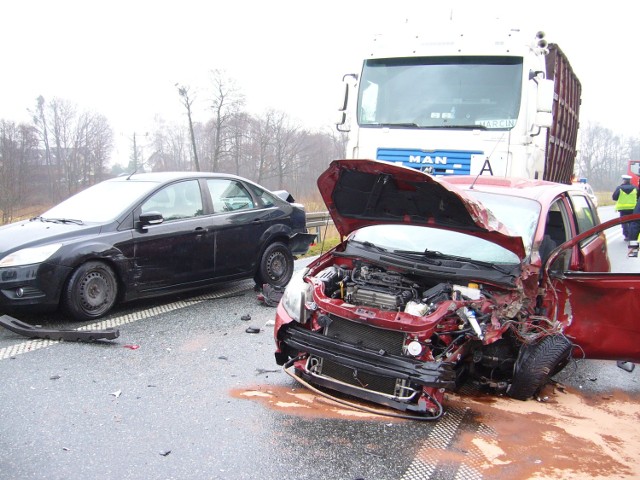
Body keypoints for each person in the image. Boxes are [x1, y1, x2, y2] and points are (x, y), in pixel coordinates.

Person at [612, 174, 638, 240]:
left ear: (623, 180)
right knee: (632, 222)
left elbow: (614, 197)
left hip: (622, 209)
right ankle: (631, 235)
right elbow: (638, 197)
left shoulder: (619, 188)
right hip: (632, 208)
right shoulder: (635, 188)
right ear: (630, 181)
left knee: (624, 222)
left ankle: (626, 235)